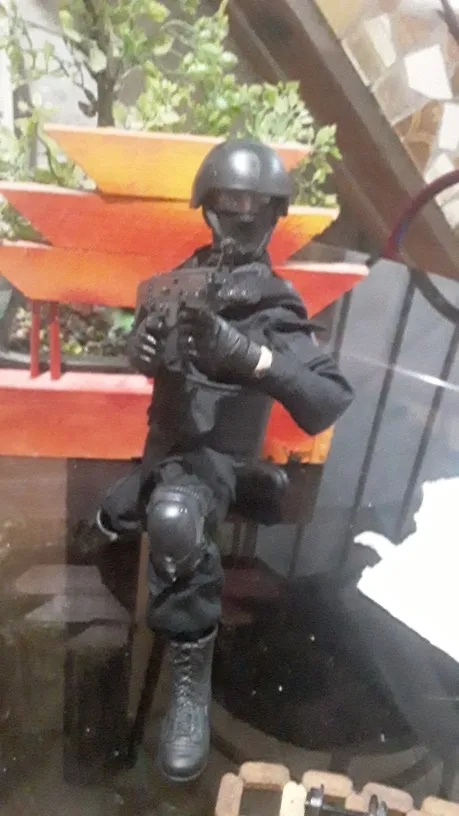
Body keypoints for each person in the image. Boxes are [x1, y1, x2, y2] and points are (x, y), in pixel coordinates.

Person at [96, 138, 354, 782]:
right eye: (230, 200)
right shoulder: (177, 282)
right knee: (109, 516)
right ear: (209, 205)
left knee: (175, 518)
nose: (240, 214)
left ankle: (190, 676)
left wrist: (249, 355)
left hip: (218, 463)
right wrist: (142, 348)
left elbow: (327, 398)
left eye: (253, 203)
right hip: (164, 451)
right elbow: (151, 357)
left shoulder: (272, 304)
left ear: (272, 212)